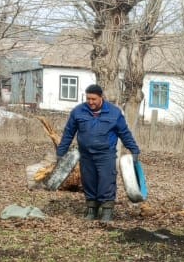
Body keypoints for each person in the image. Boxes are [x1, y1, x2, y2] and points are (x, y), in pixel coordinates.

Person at [55, 83, 140, 220]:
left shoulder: (114, 113)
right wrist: (61, 152)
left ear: (101, 97)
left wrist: (134, 150)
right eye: (88, 99)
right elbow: (68, 133)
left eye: (93, 99)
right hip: (86, 154)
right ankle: (91, 209)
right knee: (89, 181)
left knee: (106, 181)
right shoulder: (78, 111)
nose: (90, 102)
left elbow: (124, 133)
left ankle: (107, 211)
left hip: (106, 154)